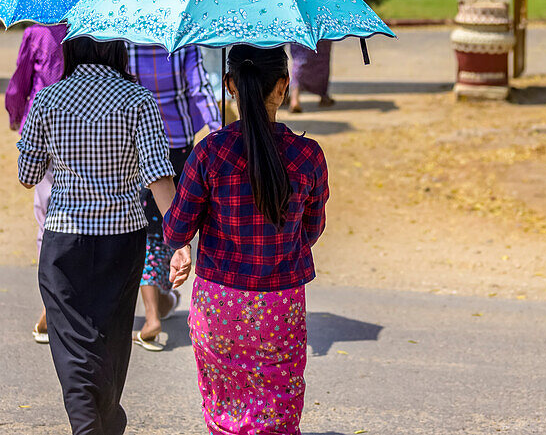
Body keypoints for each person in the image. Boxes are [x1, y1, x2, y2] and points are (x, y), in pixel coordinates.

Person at [17, 37, 191, 435]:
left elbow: (27, 177)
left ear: (71, 48)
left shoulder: (47, 100)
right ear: (117, 48)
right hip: (123, 238)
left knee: (73, 345)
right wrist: (178, 240)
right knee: (112, 339)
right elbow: (158, 175)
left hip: (65, 240)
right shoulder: (138, 100)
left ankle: (92, 426)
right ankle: (106, 422)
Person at [164, 44, 328, 435]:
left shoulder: (209, 153)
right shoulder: (308, 155)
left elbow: (176, 230)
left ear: (230, 86)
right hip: (280, 303)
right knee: (276, 411)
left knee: (226, 412)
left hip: (220, 303)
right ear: (283, 86)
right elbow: (312, 229)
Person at [127, 44, 220, 350]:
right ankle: (157, 309)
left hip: (135, 145)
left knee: (149, 230)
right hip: (178, 145)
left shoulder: (127, 44)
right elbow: (200, 89)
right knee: (172, 225)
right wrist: (218, 129)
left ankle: (157, 307)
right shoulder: (182, 45)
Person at [5, 22, 65, 343]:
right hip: (82, 129)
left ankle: (49, 303)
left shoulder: (38, 32)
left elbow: (20, 80)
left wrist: (16, 115)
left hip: (41, 129)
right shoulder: (89, 25)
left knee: (45, 217)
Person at [288, 0, 335, 112]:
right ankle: (323, 96)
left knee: (299, 58)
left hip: (299, 16)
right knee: (322, 58)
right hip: (323, 18)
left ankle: (294, 98)